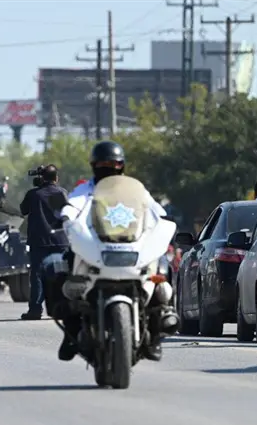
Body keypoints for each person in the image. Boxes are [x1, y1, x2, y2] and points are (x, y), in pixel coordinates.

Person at [46, 140, 171, 361]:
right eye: (103, 165)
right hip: (96, 247)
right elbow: (72, 206)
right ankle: (71, 331)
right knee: (57, 268)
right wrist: (67, 217)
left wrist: (160, 223)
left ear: (121, 166)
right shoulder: (86, 190)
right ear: (94, 166)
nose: (108, 170)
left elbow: (154, 211)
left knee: (163, 269)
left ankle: (154, 336)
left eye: (113, 166)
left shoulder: (136, 191)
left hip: (132, 247)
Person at [18, 164, 69, 320]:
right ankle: (63, 308)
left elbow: (23, 210)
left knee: (37, 276)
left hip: (39, 241)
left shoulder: (34, 195)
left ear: (41, 178)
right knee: (63, 274)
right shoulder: (63, 193)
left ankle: (35, 310)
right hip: (60, 240)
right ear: (56, 178)